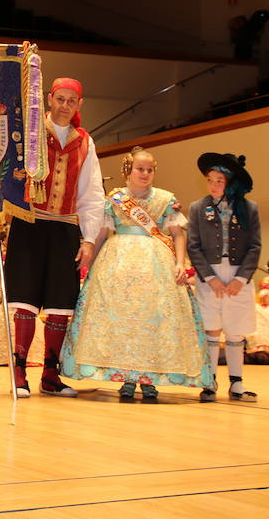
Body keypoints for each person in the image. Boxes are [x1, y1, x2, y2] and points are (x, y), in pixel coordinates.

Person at [60, 148, 213, 401]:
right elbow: (100, 234)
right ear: (128, 170)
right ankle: (128, 379)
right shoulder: (114, 199)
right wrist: (90, 259)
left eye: (150, 169)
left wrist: (180, 262)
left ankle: (151, 379)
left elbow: (177, 233)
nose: (145, 173)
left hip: (157, 267)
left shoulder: (165, 199)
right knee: (123, 322)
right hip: (117, 265)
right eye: (140, 169)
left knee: (152, 321)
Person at [4, 77, 105, 398]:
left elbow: (93, 195)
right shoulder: (29, 135)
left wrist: (89, 239)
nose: (64, 105)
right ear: (49, 99)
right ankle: (19, 371)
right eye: (59, 99)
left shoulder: (85, 143)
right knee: (25, 300)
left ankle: (50, 374)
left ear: (79, 105)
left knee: (61, 304)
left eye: (70, 101)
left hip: (65, 228)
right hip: (28, 223)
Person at [187, 152, 261, 402]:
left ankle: (237, 383)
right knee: (211, 329)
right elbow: (193, 246)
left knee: (236, 331)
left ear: (231, 182)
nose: (214, 185)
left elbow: (255, 246)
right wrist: (210, 277)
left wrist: (241, 279)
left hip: (239, 275)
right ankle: (209, 381)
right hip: (210, 276)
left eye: (220, 181)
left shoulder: (249, 208)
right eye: (210, 180)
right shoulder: (198, 208)